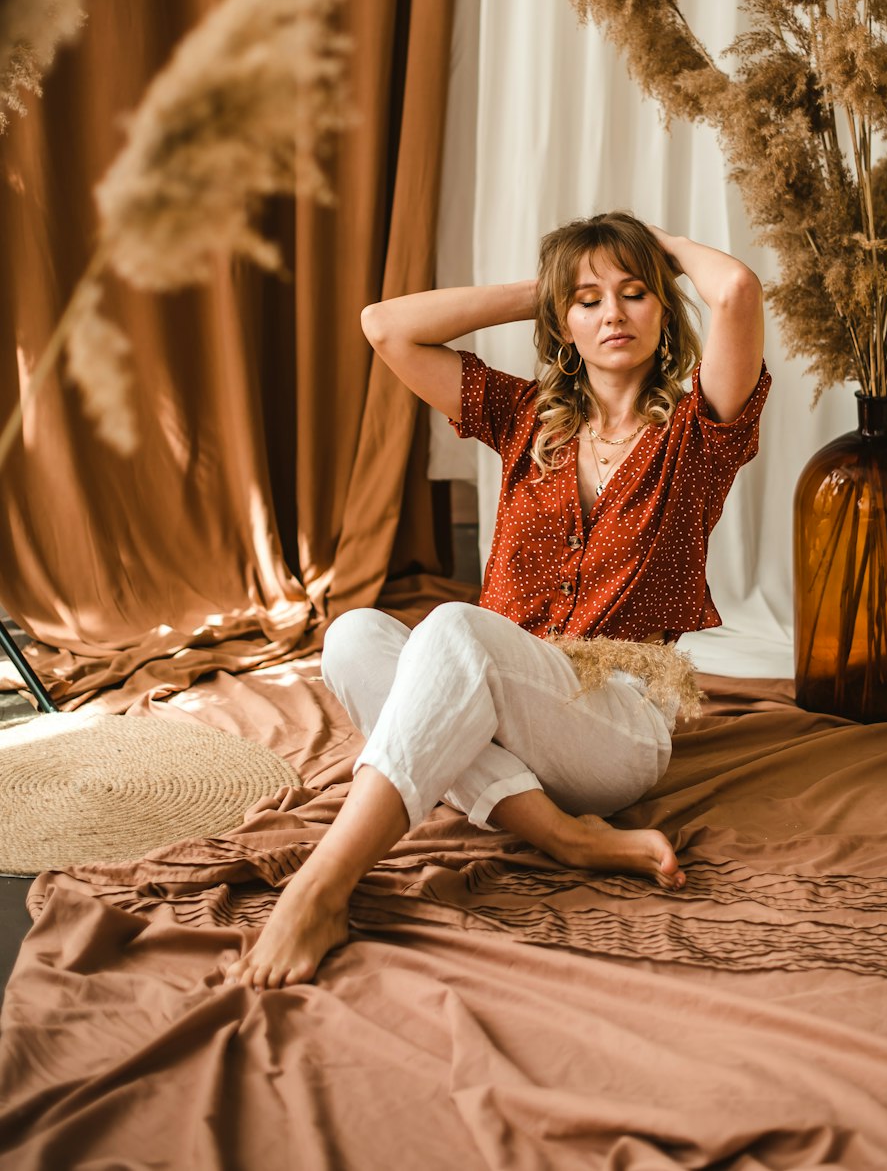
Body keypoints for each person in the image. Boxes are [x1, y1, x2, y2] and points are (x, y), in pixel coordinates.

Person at [223, 212, 769, 990]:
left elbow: (739, 291)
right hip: (499, 694)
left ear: (663, 309)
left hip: (614, 725)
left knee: (450, 627)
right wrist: (546, 290)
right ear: (562, 322)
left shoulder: (698, 435)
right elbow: (386, 328)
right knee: (351, 637)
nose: (612, 313)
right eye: (586, 301)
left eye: (635, 293)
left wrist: (660, 249)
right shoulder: (524, 420)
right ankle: (564, 837)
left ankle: (321, 886)